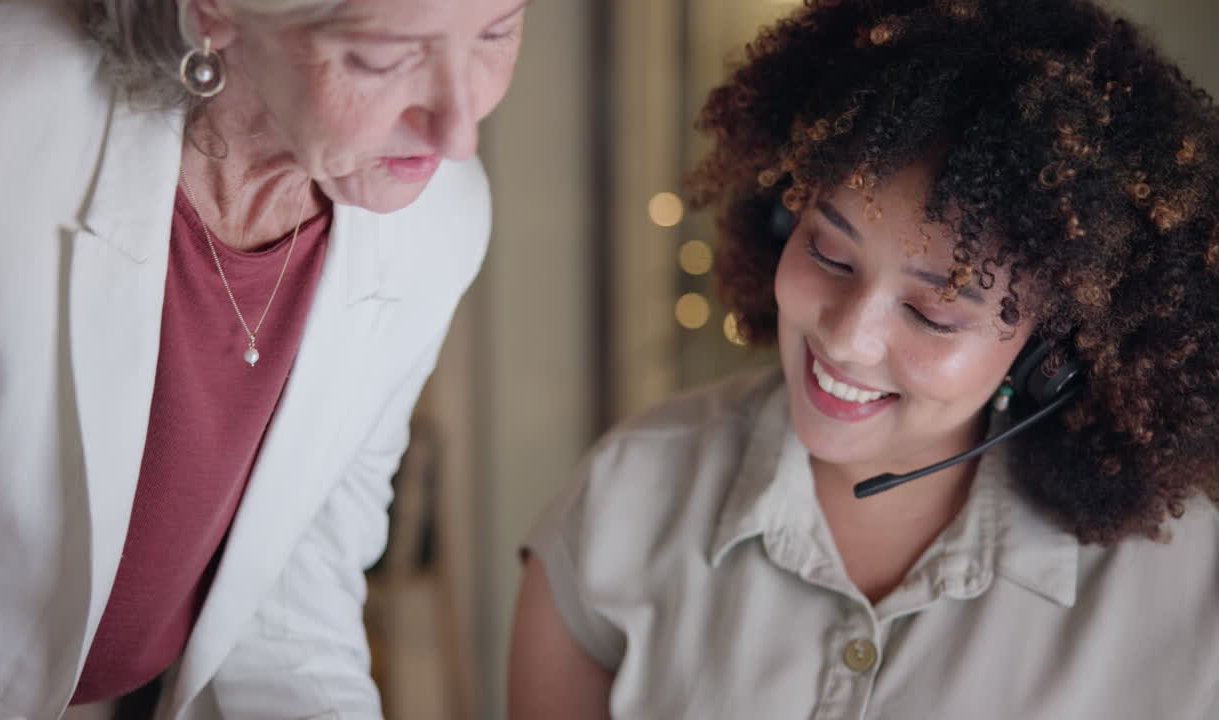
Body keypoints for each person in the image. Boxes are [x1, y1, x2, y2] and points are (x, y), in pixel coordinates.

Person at [509, 0, 1219, 717]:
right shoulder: (628, 494)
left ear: (1050, 353)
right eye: (828, 251)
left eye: (933, 311)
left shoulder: (1189, 600)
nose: (848, 338)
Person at [0, 0, 525, 716]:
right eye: (384, 58)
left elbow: (291, 607)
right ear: (215, 11)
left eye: (498, 31)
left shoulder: (439, 216)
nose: (461, 133)